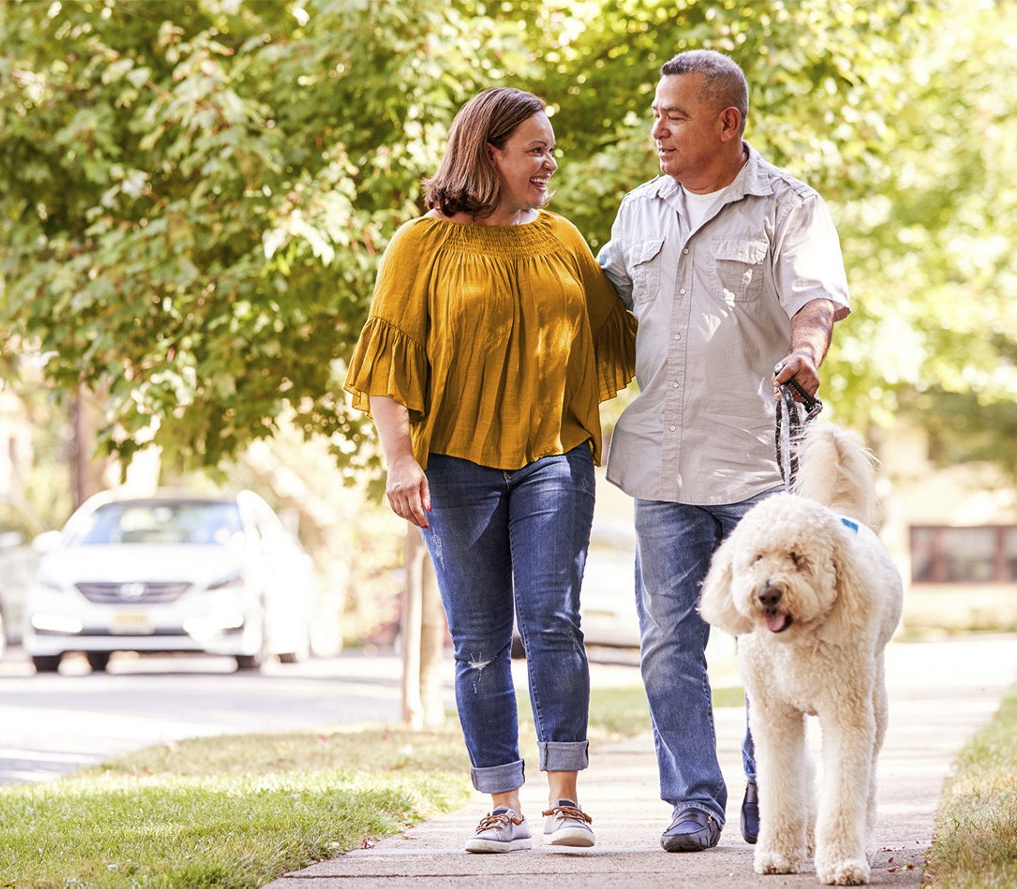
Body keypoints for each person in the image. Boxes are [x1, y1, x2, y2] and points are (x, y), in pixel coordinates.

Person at [344, 87, 636, 854]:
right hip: (454, 468)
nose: (549, 161)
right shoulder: (420, 247)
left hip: (553, 457)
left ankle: (565, 798)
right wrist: (399, 458)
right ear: (489, 154)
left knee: (553, 623)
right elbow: (386, 362)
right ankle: (502, 801)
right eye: (535, 149)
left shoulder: (563, 239)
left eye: (550, 147)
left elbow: (624, 327)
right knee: (477, 640)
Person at [598, 49, 850, 853]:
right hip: (662, 464)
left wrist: (807, 351)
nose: (657, 129)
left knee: (768, 636)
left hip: (759, 465)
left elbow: (816, 300)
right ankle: (692, 801)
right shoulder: (640, 209)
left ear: (727, 122)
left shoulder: (790, 206)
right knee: (669, 636)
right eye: (657, 112)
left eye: (674, 114)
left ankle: (763, 792)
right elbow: (596, 302)